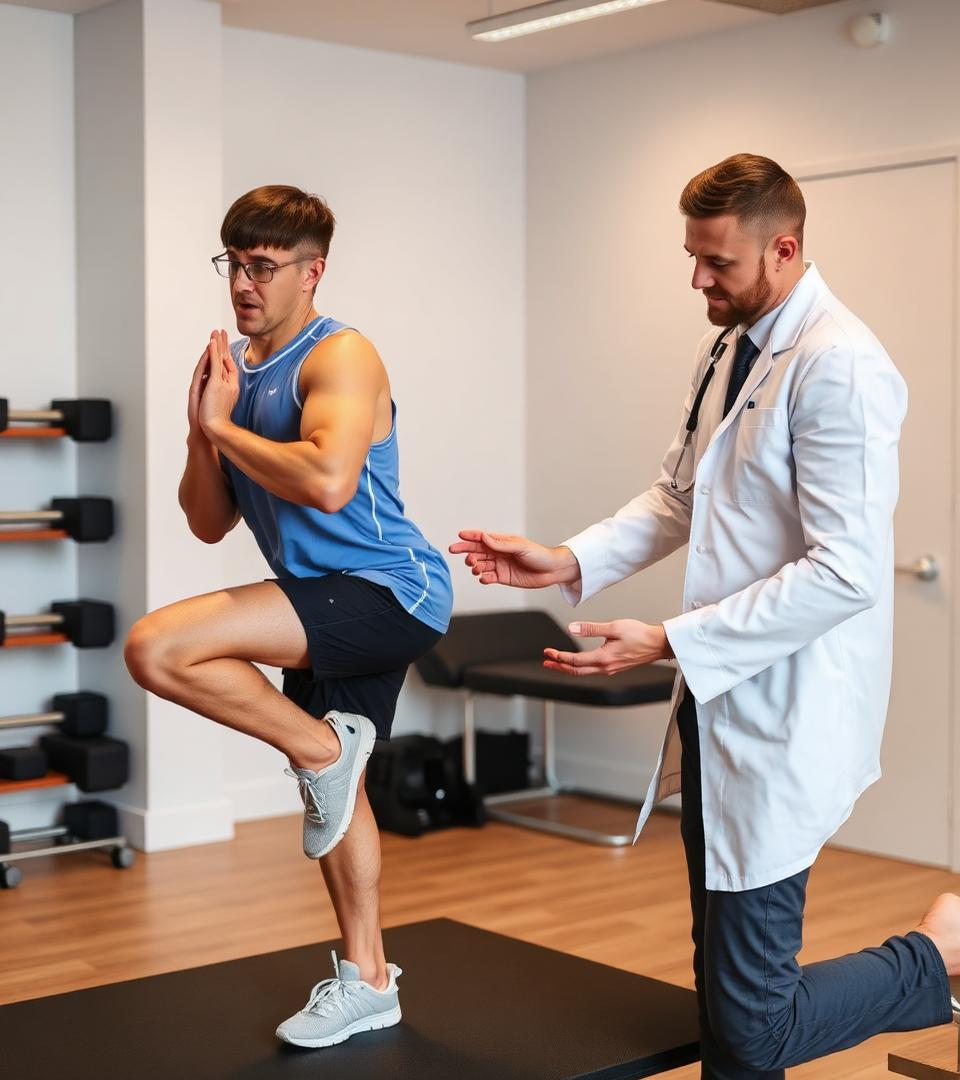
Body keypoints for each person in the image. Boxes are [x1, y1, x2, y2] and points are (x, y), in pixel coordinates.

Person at [451, 153, 960, 1077]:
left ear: (784, 249)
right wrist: (570, 558)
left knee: (753, 1021)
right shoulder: (728, 348)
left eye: (717, 261)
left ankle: (937, 955)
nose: (697, 280)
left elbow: (846, 572)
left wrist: (669, 640)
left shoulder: (840, 366)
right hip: (720, 703)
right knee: (731, 1007)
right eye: (692, 255)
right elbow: (680, 495)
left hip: (785, 711)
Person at [125, 184, 452, 1049]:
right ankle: (370, 980)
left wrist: (225, 428)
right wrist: (202, 431)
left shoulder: (340, 355)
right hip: (324, 598)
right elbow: (208, 521)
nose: (244, 282)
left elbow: (329, 481)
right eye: (234, 263)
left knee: (157, 646)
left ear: (313, 272)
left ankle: (323, 752)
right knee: (340, 794)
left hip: (388, 589)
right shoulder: (235, 370)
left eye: (263, 266)